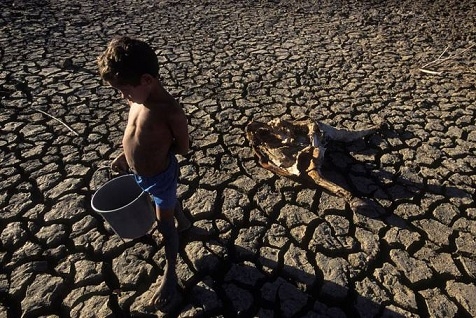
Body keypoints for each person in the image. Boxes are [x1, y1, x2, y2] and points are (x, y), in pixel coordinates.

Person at [97, 36, 190, 310]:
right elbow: (133, 133)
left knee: (164, 225)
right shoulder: (137, 100)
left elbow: (183, 148)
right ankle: (183, 220)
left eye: (125, 90)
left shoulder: (170, 112)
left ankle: (171, 273)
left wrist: (159, 153)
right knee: (170, 208)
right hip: (141, 176)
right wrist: (123, 156)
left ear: (147, 80)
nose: (123, 97)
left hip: (161, 178)